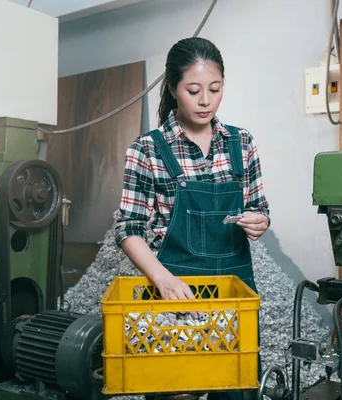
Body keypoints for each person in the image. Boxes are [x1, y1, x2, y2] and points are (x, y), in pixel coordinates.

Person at [114, 37, 270, 400]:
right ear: (172, 88)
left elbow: (260, 209)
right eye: (194, 90)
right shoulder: (147, 149)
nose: (206, 101)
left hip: (234, 298)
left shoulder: (241, 143)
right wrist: (163, 280)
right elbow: (128, 228)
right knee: (176, 390)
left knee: (237, 389)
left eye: (215, 90)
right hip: (175, 292)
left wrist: (259, 222)